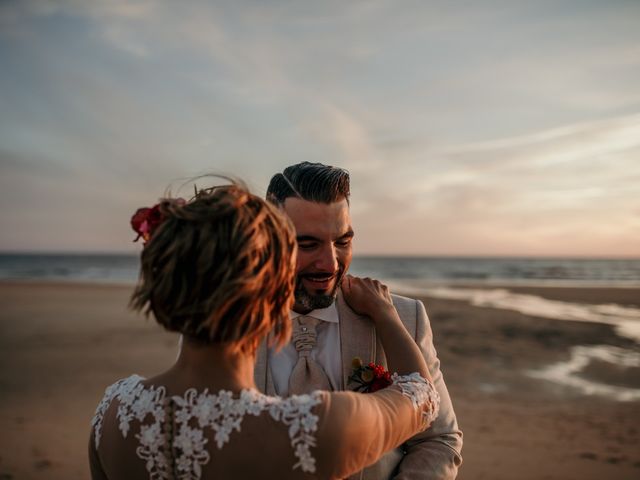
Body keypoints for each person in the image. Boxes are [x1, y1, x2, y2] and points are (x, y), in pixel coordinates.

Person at [89, 181, 441, 480]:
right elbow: (422, 397)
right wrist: (386, 315)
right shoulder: (313, 427)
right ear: (273, 291)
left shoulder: (114, 411)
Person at [255, 163, 463, 479]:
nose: (331, 263)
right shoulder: (220, 324)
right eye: (308, 244)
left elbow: (438, 440)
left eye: (342, 241)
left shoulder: (406, 317)